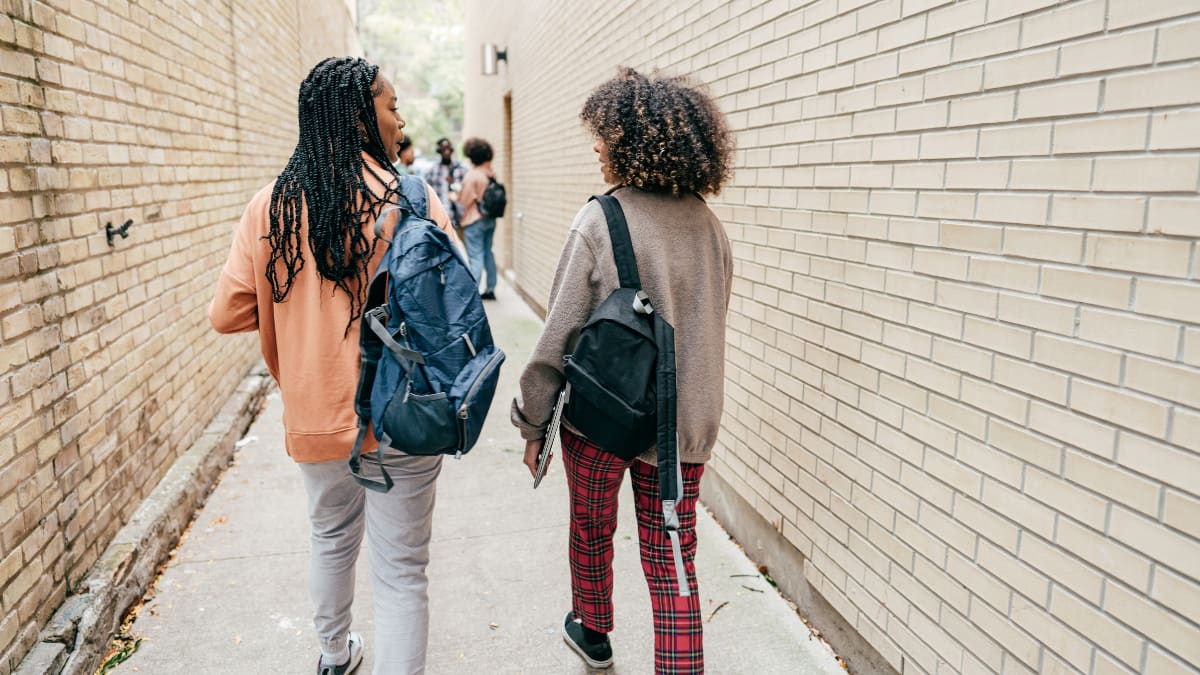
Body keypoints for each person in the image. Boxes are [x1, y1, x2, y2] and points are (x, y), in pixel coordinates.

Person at [208, 57, 464, 675]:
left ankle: (332, 655)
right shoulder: (411, 196)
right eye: (392, 105)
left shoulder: (270, 206)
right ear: (359, 114)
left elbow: (226, 313)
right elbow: (459, 292)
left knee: (329, 538)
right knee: (402, 571)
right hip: (403, 410)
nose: (401, 121)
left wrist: (291, 317)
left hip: (317, 413)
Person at [511, 68, 734, 674]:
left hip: (604, 419)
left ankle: (594, 631)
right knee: (673, 557)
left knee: (590, 525)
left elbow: (558, 337)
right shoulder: (708, 227)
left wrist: (535, 424)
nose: (596, 145)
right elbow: (710, 320)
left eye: (605, 133)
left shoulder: (599, 222)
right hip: (682, 425)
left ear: (634, 141)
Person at [457, 137, 499, 299]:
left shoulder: (473, 175)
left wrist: (454, 196)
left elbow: (465, 200)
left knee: (475, 256)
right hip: (490, 219)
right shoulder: (490, 174)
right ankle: (490, 288)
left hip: (474, 220)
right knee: (488, 252)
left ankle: (473, 293)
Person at [423, 136, 467, 228]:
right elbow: (426, 192)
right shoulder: (432, 170)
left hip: (458, 217)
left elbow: (465, 191)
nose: (446, 152)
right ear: (439, 151)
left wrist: (453, 184)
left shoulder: (461, 169)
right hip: (439, 216)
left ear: (452, 150)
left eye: (448, 149)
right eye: (443, 149)